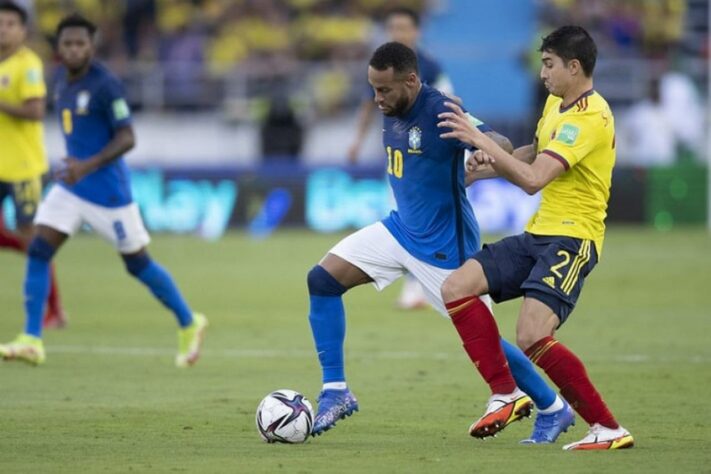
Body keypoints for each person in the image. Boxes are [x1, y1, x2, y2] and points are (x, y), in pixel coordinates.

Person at [308, 42, 574, 444]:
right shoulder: (393, 104)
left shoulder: (441, 110)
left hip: (442, 246)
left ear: (412, 81)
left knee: (484, 336)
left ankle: (553, 407)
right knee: (322, 280)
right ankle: (336, 391)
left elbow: (498, 142)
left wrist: (486, 151)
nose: (377, 98)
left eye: (384, 90)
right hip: (400, 229)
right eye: (373, 89)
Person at [437, 26, 634, 450]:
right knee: (456, 287)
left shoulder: (589, 119)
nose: (542, 73)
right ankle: (505, 393)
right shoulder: (557, 104)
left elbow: (532, 179)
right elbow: (533, 153)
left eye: (549, 64)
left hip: (573, 240)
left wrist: (476, 138)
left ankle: (607, 427)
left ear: (574, 67)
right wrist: (479, 172)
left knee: (531, 334)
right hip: (537, 234)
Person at [0, 14, 207, 368]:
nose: (74, 49)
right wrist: (70, 164)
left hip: (107, 193)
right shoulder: (61, 81)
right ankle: (32, 338)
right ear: (59, 48)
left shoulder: (105, 85)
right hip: (69, 188)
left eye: (81, 43)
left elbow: (128, 137)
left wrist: (86, 164)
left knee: (137, 264)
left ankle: (190, 321)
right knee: (38, 250)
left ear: (92, 47)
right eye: (68, 44)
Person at [348, 7, 453, 310]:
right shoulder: (380, 65)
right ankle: (419, 284)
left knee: (415, 221)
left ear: (416, 31)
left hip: (426, 160)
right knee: (402, 217)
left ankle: (419, 286)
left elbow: (451, 105)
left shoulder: (430, 66)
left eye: (404, 28)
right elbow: (369, 105)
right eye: (393, 28)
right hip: (397, 157)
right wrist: (356, 141)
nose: (398, 34)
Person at [0, 0, 65, 328]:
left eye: (10, 23)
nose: (3, 29)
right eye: (0, 23)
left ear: (23, 30)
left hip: (24, 167)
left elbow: (36, 111)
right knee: (23, 240)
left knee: (33, 237)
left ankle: (55, 309)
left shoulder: (27, 65)